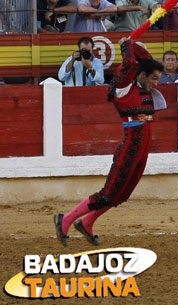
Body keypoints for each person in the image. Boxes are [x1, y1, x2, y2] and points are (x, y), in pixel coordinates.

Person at [54, 37, 165, 246]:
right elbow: (132, 63)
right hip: (131, 146)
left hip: (143, 147)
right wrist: (125, 45)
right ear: (142, 76)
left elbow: (146, 60)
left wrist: (134, 44)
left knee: (122, 193)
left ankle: (87, 222)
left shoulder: (141, 85)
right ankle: (66, 219)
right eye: (153, 79)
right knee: (109, 192)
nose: (155, 83)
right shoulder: (123, 86)